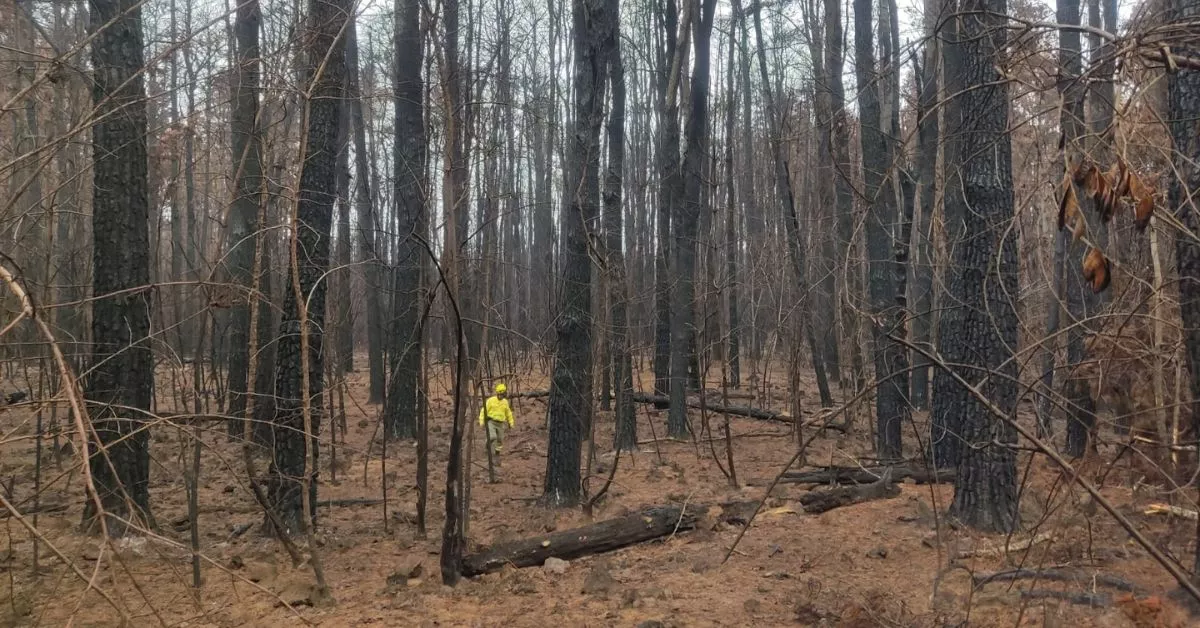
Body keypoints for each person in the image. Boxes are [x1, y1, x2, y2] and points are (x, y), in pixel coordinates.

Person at [478, 382, 515, 463]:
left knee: (500, 439)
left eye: (502, 394)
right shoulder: (491, 401)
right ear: (497, 393)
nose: (501, 396)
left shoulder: (505, 402)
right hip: (491, 421)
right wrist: (481, 421)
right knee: (492, 437)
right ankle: (487, 446)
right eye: (499, 394)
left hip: (500, 423)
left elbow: (508, 413)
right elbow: (483, 410)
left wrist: (511, 423)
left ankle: (497, 452)